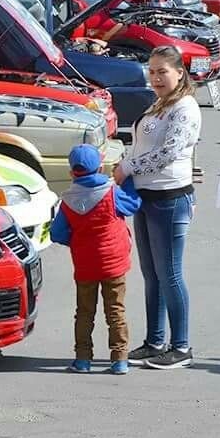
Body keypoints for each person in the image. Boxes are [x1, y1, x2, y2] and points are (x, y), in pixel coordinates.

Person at [113, 46, 200, 370]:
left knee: (170, 274)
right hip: (146, 197)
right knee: (152, 275)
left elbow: (169, 152)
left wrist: (128, 167)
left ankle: (181, 346)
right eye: (151, 71)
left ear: (179, 72)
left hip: (170, 198)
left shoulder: (186, 108)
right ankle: (155, 340)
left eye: (162, 71)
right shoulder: (161, 103)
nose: (156, 78)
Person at [51, 145, 141, 375]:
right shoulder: (111, 193)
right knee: (115, 311)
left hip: (85, 265)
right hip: (114, 264)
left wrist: (78, 240)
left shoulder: (68, 201)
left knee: (84, 312)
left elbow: (57, 233)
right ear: (100, 167)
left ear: (72, 172)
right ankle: (119, 359)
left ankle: (82, 359)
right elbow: (133, 204)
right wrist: (128, 180)